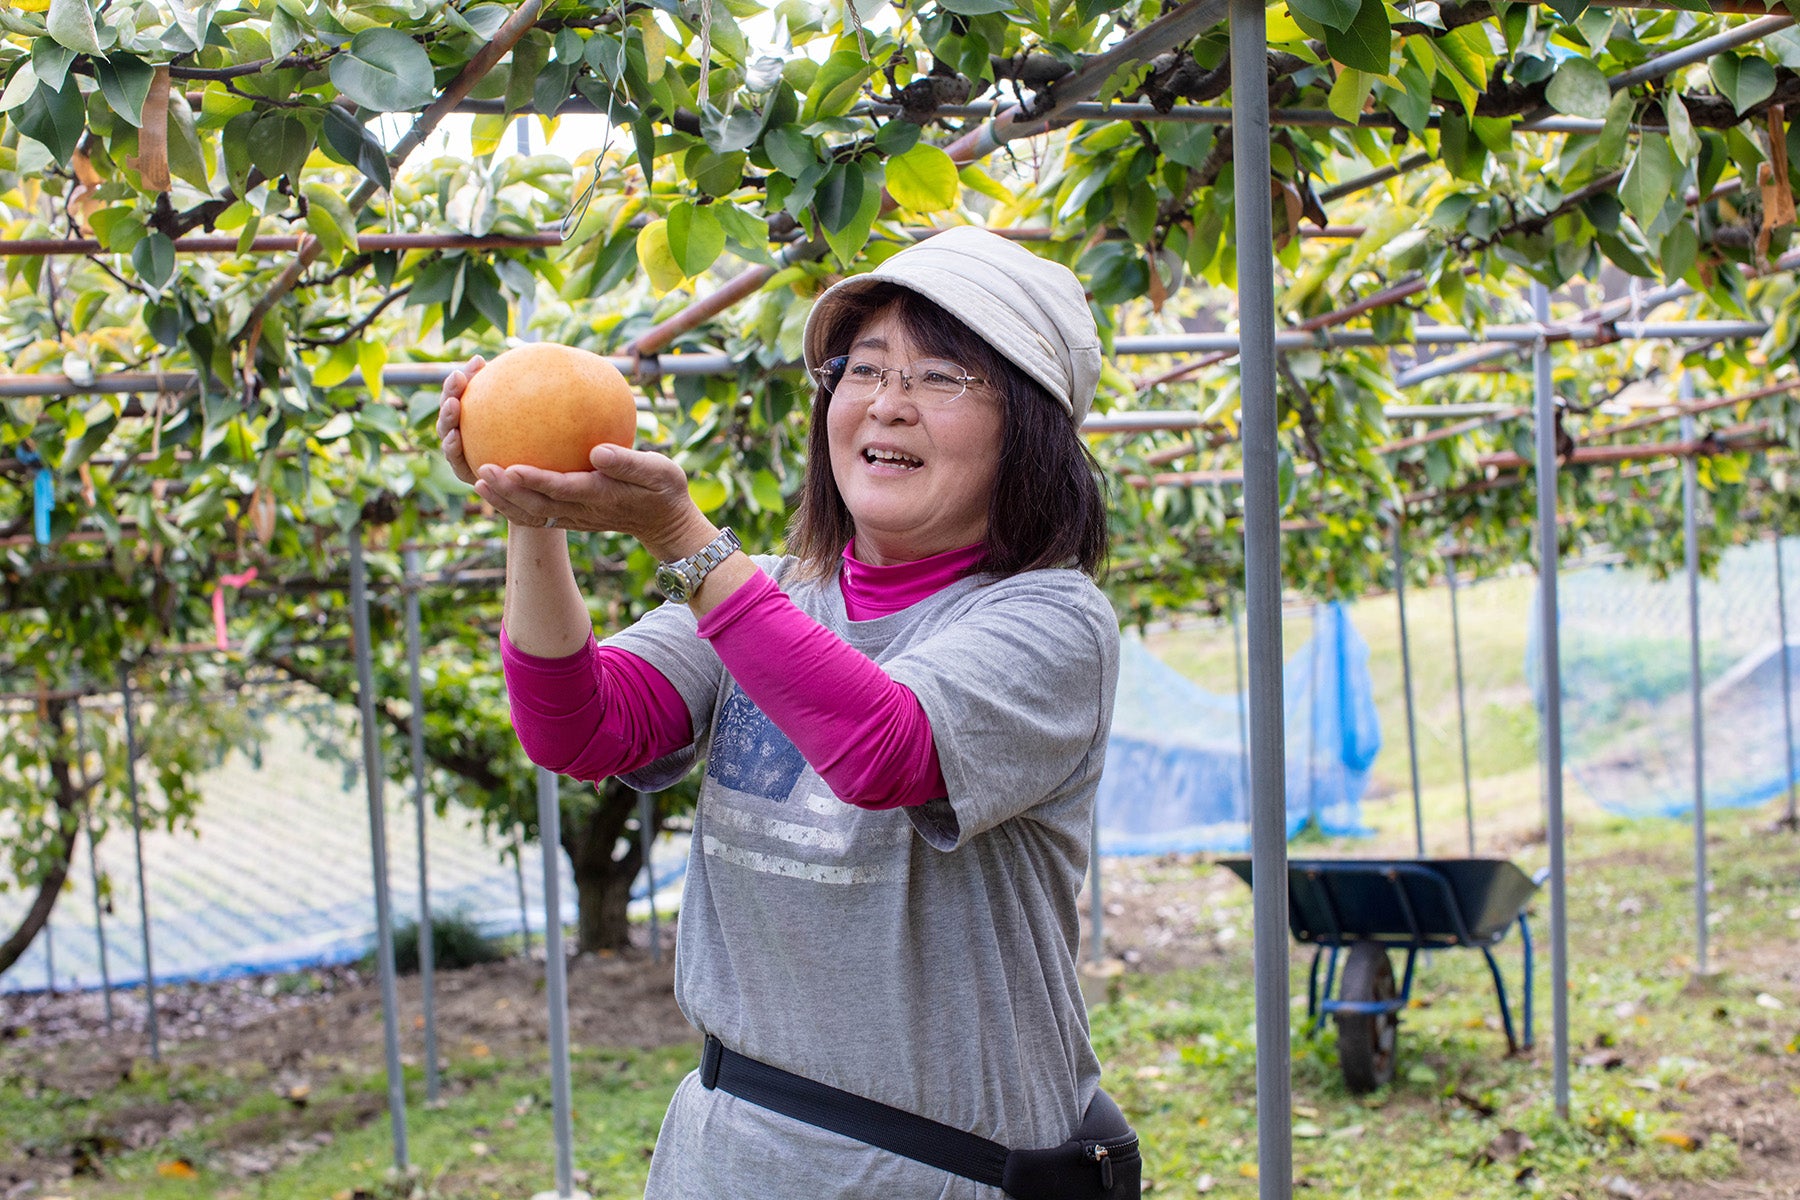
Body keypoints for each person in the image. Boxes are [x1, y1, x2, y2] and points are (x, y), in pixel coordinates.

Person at [437, 226, 1138, 1200]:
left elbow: (884, 749)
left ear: (1029, 428)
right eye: (865, 369)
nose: (889, 402)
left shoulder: (1051, 622)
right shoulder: (764, 595)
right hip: (735, 1152)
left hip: (940, 1171)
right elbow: (579, 729)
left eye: (943, 377)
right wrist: (533, 521)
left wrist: (684, 539)